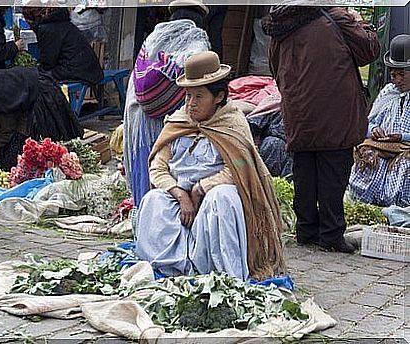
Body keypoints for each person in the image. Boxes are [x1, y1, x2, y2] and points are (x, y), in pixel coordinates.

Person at [136, 52, 285, 281]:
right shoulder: (178, 121)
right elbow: (158, 165)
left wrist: (201, 189)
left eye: (199, 96)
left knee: (221, 198)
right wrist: (179, 194)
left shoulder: (233, 124)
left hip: (213, 198)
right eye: (187, 96)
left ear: (218, 97)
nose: (191, 104)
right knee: (153, 201)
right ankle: (170, 267)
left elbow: (238, 169)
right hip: (180, 200)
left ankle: (218, 272)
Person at [262, 6, 380, 253]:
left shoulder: (281, 24)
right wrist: (362, 24)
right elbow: (369, 51)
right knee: (333, 171)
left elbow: (274, 67)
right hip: (334, 107)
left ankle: (306, 229)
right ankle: (331, 233)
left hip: (298, 109)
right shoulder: (335, 17)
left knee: (304, 168)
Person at [124, 0, 211, 207]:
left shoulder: (153, 38)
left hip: (140, 120)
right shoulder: (198, 42)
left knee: (146, 172)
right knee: (167, 173)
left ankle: (142, 219)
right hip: (173, 123)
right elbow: (200, 87)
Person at [349, 34, 410, 207]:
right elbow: (368, 123)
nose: (397, 79)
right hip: (384, 147)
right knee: (368, 158)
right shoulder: (388, 92)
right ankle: (366, 205)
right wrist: (374, 129)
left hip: (405, 150)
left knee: (404, 166)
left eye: (402, 74)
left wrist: (402, 137)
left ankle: (399, 208)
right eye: (393, 74)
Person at [22, 7, 103, 84]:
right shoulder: (59, 21)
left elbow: (48, 62)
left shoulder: (47, 28)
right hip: (86, 68)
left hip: (77, 70)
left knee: (38, 77)